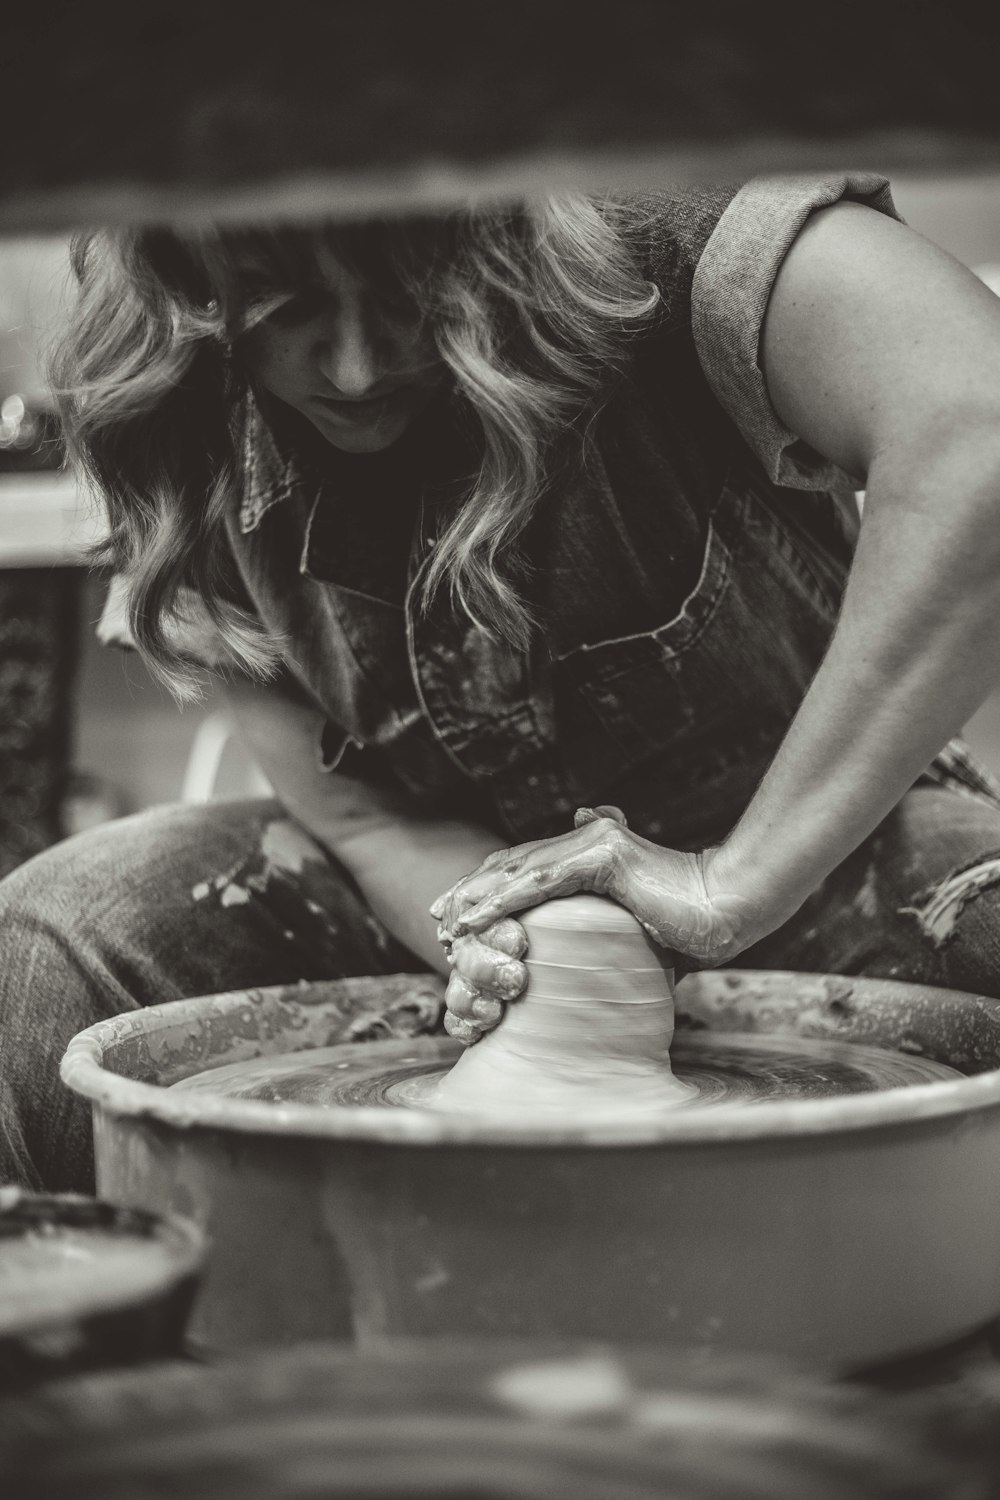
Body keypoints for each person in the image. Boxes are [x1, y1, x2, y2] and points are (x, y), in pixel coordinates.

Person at [5, 173, 1000, 1192]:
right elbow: (367, 823)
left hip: (818, 869)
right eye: (279, 297)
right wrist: (520, 959)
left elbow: (978, 427)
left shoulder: (648, 233)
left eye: (409, 287)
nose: (352, 368)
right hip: (451, 934)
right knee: (53, 934)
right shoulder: (177, 412)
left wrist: (726, 886)